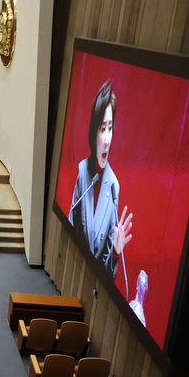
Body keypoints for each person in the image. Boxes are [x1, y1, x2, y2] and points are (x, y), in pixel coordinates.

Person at [68, 81, 133, 279]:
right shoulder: (82, 171)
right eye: (102, 128)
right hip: (74, 267)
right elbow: (71, 225)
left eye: (110, 128)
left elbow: (108, 274)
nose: (106, 138)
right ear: (94, 135)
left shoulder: (113, 187)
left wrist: (115, 251)